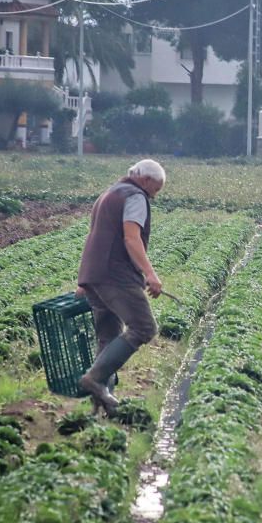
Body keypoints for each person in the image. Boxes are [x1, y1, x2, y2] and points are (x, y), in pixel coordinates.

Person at [75, 159, 165, 415]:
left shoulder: (109, 193)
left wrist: (84, 280)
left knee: (108, 337)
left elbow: (96, 235)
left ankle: (102, 405)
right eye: (155, 190)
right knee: (144, 327)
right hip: (117, 276)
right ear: (145, 180)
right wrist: (150, 274)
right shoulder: (135, 197)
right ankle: (94, 378)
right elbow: (131, 237)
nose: (154, 195)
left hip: (95, 275)